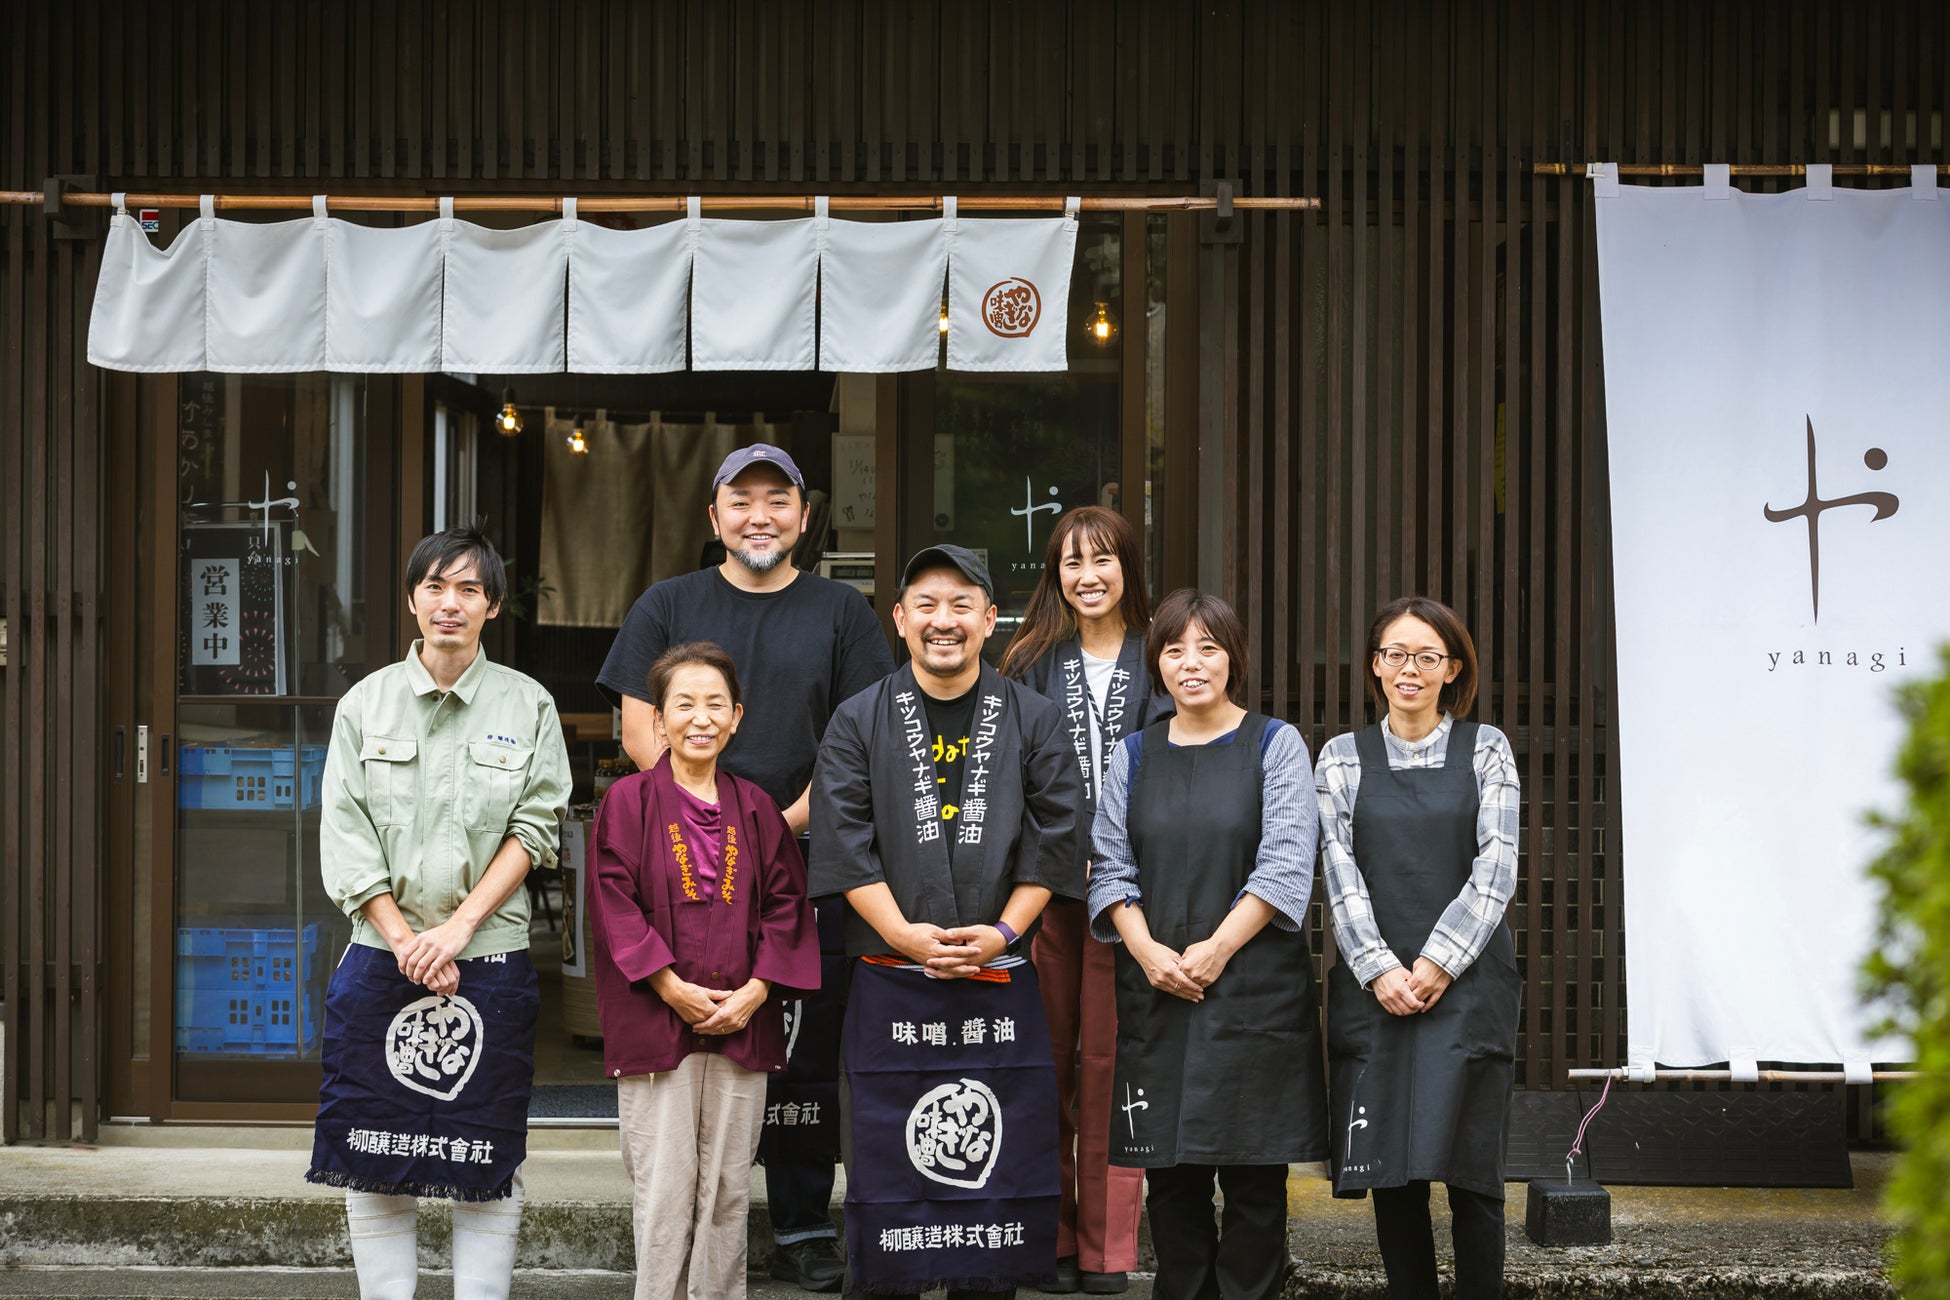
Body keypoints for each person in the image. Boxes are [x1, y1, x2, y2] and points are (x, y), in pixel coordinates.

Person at [597, 442, 895, 1293]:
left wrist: (768, 823)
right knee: (677, 1045)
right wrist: (712, 809)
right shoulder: (669, 603)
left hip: (797, 857)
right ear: (714, 517)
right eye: (741, 500)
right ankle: (670, 1248)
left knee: (796, 1050)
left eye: (778, 500)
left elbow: (857, 744)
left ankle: (801, 1223)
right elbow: (637, 730)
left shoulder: (842, 611)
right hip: (671, 858)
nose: (759, 516)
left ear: (805, 516)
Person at [810, 545, 1085, 1300]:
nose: (944, 621)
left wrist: (1001, 934)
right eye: (926, 604)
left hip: (998, 978)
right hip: (889, 979)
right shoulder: (857, 719)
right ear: (898, 620)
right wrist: (902, 934)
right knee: (886, 1152)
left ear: (990, 620)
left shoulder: (1035, 717)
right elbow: (843, 839)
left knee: (992, 1167)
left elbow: (1056, 841)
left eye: (962, 605)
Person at [308, 527, 572, 1300]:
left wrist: (456, 931)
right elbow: (345, 832)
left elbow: (536, 827)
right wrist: (404, 938)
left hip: (487, 955)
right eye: (434, 587)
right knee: (371, 1145)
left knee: (481, 1149)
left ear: (491, 605)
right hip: (379, 953)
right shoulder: (366, 703)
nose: (448, 603)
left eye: (467, 590)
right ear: (413, 599)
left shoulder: (529, 704)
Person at [1087, 588, 1327, 1300]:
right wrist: (1145, 950)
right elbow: (1108, 864)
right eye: (1174, 649)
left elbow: (1286, 862)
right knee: (1173, 1175)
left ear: (1234, 658)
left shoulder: (1274, 743)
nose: (1191, 664)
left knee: (1255, 1180)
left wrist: (1216, 949)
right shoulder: (1132, 755)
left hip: (1253, 994)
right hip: (1158, 988)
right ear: (1157, 663)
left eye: (1208, 648)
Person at [589, 641, 822, 1300]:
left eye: (714, 703)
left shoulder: (756, 810)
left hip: (740, 1022)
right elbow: (615, 906)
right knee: (663, 1192)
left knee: (726, 1189)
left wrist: (754, 992)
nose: (701, 717)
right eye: (683, 704)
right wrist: (669, 986)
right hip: (656, 1025)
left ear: (737, 716)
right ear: (657, 722)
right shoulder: (627, 804)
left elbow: (785, 905)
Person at [1314, 596, 1521, 1300]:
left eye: (1427, 656)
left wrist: (1435, 964)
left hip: (1467, 989)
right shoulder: (1341, 758)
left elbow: (1497, 868)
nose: (1410, 669)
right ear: (1375, 666)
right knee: (1390, 1171)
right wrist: (1379, 969)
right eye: (1396, 654)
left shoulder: (1487, 747)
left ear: (1451, 669)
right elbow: (1336, 871)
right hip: (1378, 994)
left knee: (1474, 1175)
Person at [997, 507, 1166, 1297]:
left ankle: (1107, 1246)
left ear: (1129, 567)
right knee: (1047, 1064)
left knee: (1112, 1067)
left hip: (1136, 901)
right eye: (1070, 561)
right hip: (1051, 894)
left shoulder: (1166, 659)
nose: (1086, 575)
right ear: (1053, 574)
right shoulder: (1030, 661)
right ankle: (1051, 1238)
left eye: (1102, 559)